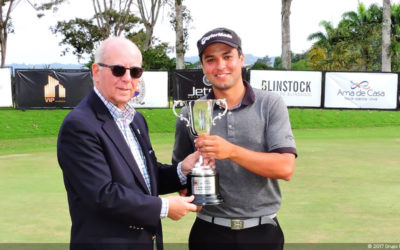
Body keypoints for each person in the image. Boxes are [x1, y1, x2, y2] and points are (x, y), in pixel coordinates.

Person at [57, 36, 200, 250]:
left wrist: (182, 170)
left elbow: (144, 179)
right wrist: (164, 207)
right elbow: (102, 195)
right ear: (96, 72)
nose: (127, 78)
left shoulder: (136, 119)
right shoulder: (79, 125)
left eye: (135, 72)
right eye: (118, 70)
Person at [172, 27, 297, 250]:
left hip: (262, 232)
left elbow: (285, 168)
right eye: (211, 59)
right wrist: (195, 183)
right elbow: (182, 181)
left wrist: (231, 151)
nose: (220, 66)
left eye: (227, 57)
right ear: (203, 66)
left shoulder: (270, 103)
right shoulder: (192, 112)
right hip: (208, 233)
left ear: (241, 59)